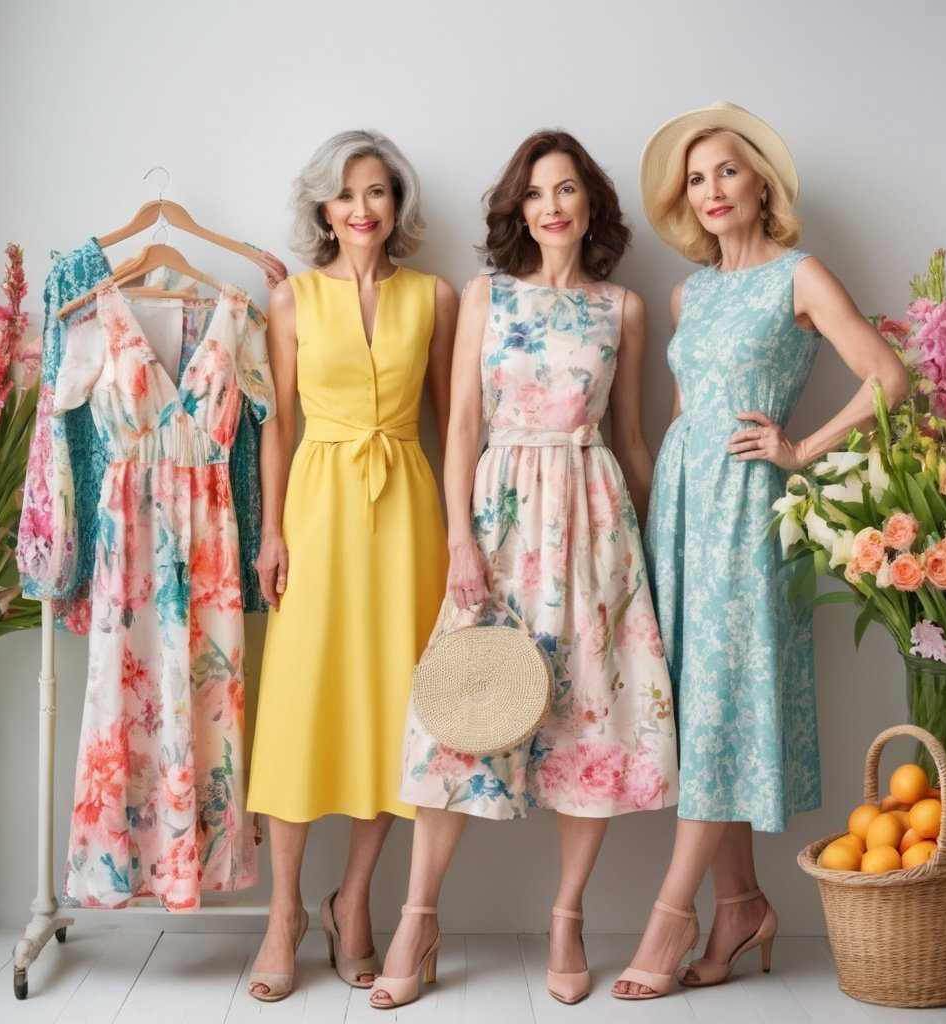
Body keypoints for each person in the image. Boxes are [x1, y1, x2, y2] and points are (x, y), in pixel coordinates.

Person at [371, 130, 679, 1010]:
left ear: (591, 208)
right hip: (502, 525)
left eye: (568, 191)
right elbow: (460, 424)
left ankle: (567, 917)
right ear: (519, 209)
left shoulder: (622, 306)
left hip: (595, 530)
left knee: (589, 718)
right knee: (458, 719)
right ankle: (417, 916)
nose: (552, 206)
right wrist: (459, 543)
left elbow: (629, 436)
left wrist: (662, 541)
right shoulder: (485, 295)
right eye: (537, 193)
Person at [612, 101, 910, 1000]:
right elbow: (682, 412)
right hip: (682, 507)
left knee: (725, 704)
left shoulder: (800, 275)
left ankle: (672, 919)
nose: (710, 190)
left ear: (762, 185)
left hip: (749, 511)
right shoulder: (686, 292)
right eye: (695, 179)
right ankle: (741, 905)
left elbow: (892, 379)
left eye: (726, 172)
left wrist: (800, 451)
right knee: (701, 707)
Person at [245, 130, 457, 1002]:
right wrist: (271, 532)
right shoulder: (290, 301)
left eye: (377, 192)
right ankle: (283, 913)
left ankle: (355, 901)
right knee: (301, 709)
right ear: (323, 209)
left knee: (393, 713)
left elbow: (455, 425)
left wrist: (465, 539)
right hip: (319, 510)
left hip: (406, 512)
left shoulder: (435, 296)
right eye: (345, 195)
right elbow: (277, 424)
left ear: (395, 205)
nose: (362, 209)